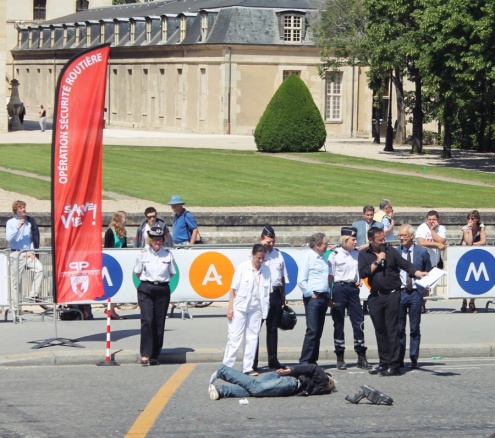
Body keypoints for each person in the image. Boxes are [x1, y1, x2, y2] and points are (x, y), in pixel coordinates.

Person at [358, 227, 428, 376]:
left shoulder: (390, 251)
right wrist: (377, 261)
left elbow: (405, 264)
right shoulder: (365, 254)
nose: (383, 242)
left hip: (392, 295)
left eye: (384, 238)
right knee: (380, 330)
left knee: (392, 330)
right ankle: (384, 363)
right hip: (375, 296)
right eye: (380, 240)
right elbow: (363, 272)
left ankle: (394, 364)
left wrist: (417, 273)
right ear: (371, 240)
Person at [211, 244, 271, 381]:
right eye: (258, 258)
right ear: (253, 255)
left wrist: (264, 310)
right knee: (234, 337)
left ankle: (248, 367)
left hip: (256, 307)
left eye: (263, 258)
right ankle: (227, 366)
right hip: (240, 306)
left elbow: (267, 292)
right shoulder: (243, 267)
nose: (260, 261)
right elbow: (233, 289)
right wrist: (230, 308)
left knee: (252, 337)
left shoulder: (266, 270)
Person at [328, 227, 372, 371]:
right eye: (353, 239)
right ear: (345, 240)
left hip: (353, 289)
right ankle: (340, 356)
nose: (355, 242)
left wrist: (359, 279)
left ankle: (361, 356)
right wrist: (329, 295)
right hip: (339, 288)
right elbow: (330, 277)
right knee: (339, 322)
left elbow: (360, 269)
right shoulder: (335, 255)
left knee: (358, 322)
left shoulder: (357, 254)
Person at [134, 226, 176, 366]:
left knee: (159, 322)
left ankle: (154, 355)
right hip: (146, 288)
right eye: (155, 239)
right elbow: (137, 272)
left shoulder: (168, 254)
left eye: (160, 239)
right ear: (150, 240)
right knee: (147, 319)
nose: (157, 242)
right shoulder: (143, 254)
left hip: (162, 289)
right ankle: (145, 354)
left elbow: (171, 272)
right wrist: (149, 282)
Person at [397, 224, 433, 370]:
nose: (401, 238)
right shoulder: (396, 252)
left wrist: (425, 291)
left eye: (404, 236)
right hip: (400, 293)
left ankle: (414, 357)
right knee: (399, 329)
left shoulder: (422, 252)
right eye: (400, 236)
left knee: (414, 328)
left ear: (411, 236)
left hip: (415, 294)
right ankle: (399, 358)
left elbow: (428, 272)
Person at [253, 224, 288, 370]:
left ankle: (272, 360)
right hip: (260, 294)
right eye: (268, 242)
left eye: (273, 241)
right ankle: (252, 361)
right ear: (262, 239)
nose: (271, 245)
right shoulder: (257, 254)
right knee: (255, 329)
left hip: (275, 294)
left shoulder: (278, 254)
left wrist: (283, 295)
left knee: (273, 328)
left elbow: (282, 276)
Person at [208, 363, 336, 400]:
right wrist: (289, 370)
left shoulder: (319, 384)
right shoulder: (323, 381)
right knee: (257, 389)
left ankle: (221, 391)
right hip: (290, 384)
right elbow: (312, 367)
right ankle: (223, 371)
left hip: (282, 379)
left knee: (254, 390)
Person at [298, 232, 331, 365]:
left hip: (323, 296)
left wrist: (328, 294)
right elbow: (301, 280)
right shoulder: (308, 257)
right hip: (313, 297)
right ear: (317, 245)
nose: (327, 245)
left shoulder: (323, 258)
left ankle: (313, 360)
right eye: (325, 243)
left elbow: (325, 278)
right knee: (312, 330)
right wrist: (310, 294)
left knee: (318, 331)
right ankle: (304, 361)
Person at [5, 200, 43, 303]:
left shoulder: (29, 222)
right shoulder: (11, 222)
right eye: (21, 208)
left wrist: (32, 251)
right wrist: (18, 227)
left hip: (27, 253)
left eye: (24, 207)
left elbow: (31, 238)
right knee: (16, 282)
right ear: (16, 210)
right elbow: (8, 238)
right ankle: (16, 306)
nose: (23, 209)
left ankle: (33, 294)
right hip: (16, 253)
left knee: (39, 269)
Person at [352, 206, 384, 315]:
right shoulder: (356, 225)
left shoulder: (379, 225)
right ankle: (359, 304)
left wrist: (367, 245)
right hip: (360, 254)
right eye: (367, 215)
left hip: (372, 253)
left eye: (371, 215)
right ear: (363, 214)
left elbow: (381, 240)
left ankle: (367, 304)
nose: (369, 217)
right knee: (360, 276)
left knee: (370, 277)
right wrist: (336, 245)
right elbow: (350, 237)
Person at [415, 210, 447, 313]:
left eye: (434, 219)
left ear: (437, 220)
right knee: (419, 284)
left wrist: (433, 230)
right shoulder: (422, 227)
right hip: (420, 258)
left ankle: (423, 305)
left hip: (434, 260)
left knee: (427, 285)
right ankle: (417, 304)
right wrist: (437, 245)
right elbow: (421, 242)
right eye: (429, 220)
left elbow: (442, 241)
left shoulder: (441, 228)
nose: (431, 221)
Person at [460, 210, 486, 313]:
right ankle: (464, 301)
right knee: (465, 277)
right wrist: (470, 230)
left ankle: (472, 301)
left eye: (473, 218)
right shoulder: (465, 228)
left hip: (476, 254)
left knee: (475, 278)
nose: (470, 220)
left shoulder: (481, 226)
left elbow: (483, 241)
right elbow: (469, 241)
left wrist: (473, 245)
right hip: (465, 255)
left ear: (477, 219)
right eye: (469, 218)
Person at [104, 211, 128, 320]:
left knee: (122, 287)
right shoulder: (110, 232)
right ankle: (110, 308)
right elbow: (107, 248)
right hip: (112, 263)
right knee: (115, 287)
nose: (126, 220)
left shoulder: (123, 232)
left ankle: (111, 308)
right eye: (124, 218)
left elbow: (125, 247)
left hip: (121, 261)